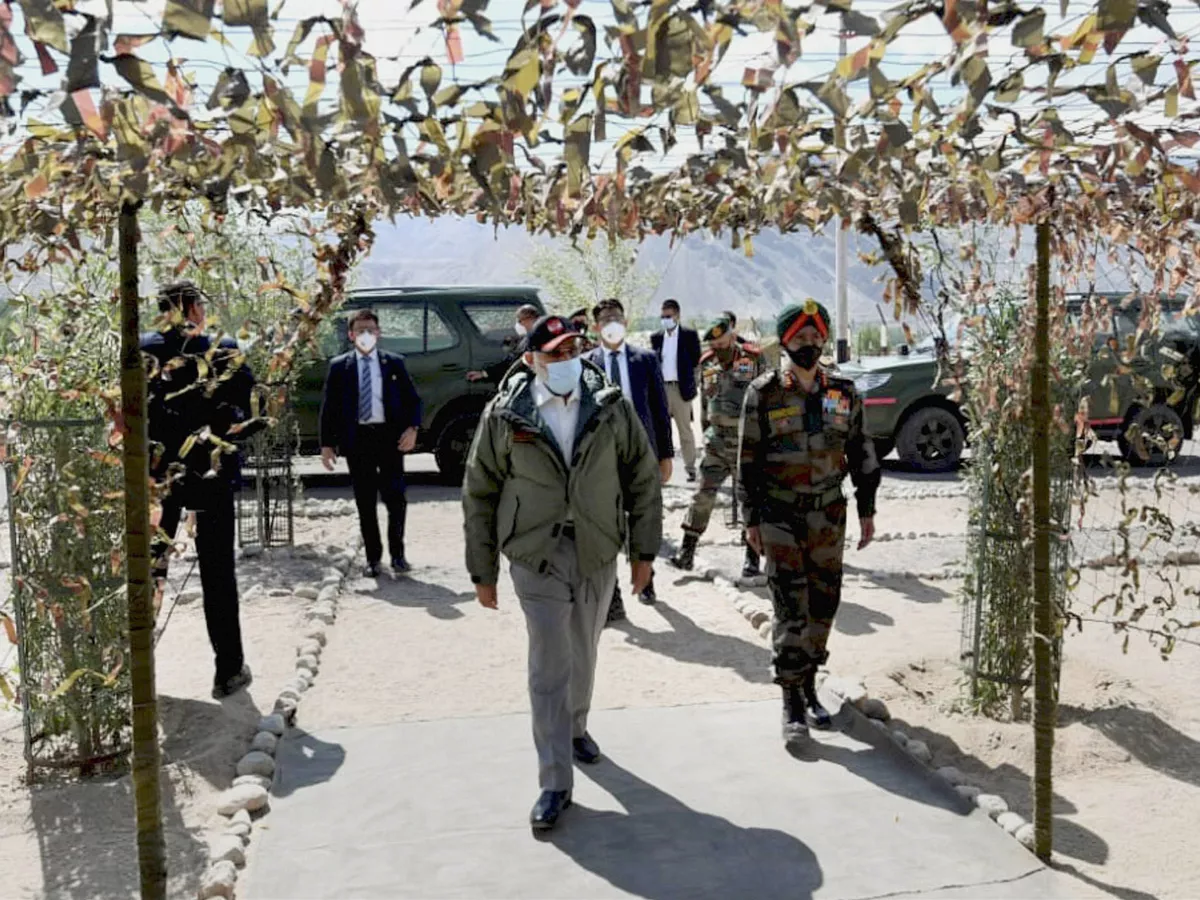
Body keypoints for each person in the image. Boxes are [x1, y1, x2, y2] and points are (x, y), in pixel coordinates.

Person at [462, 314, 662, 832]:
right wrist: (481, 570)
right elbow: (480, 490)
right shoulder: (507, 413)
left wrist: (643, 553)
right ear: (532, 360)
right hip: (536, 553)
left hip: (596, 547)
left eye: (574, 349)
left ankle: (575, 728)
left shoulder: (611, 405)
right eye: (555, 352)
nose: (567, 360)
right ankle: (555, 781)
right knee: (550, 659)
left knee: (584, 650)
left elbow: (641, 477)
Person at [738, 299, 879, 746]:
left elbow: (861, 452)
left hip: (828, 514)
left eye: (816, 337)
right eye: (801, 338)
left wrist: (868, 509)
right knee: (789, 605)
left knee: (824, 603)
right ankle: (791, 702)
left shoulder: (843, 391)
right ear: (785, 341)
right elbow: (748, 461)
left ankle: (811, 682)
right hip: (780, 513)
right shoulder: (763, 393)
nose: (810, 344)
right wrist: (751, 519)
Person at [143, 281, 258, 700]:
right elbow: (241, 416)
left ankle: (138, 666)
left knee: (149, 571)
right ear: (192, 308)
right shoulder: (224, 350)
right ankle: (227, 670)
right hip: (209, 476)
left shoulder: (142, 352)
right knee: (217, 575)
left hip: (157, 479)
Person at [586, 298, 674, 619]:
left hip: (642, 454)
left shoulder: (646, 360)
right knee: (607, 524)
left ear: (625, 322)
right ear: (596, 326)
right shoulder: (586, 364)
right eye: (606, 318)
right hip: (603, 460)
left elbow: (660, 411)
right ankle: (612, 596)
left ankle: (646, 578)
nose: (613, 323)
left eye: (618, 317)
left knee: (645, 519)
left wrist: (665, 454)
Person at [320, 309, 422, 577]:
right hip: (357, 441)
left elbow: (413, 400)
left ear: (378, 333)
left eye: (371, 330)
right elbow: (329, 408)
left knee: (395, 498)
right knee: (365, 501)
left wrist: (412, 429)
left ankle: (398, 556)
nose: (366, 335)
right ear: (351, 335)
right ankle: (373, 559)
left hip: (389, 439)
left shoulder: (394, 363)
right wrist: (326, 445)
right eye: (360, 330)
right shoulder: (340, 366)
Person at [669, 315, 763, 577]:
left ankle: (752, 559)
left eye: (723, 344)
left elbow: (766, 397)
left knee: (751, 500)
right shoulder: (707, 363)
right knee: (703, 494)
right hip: (717, 444)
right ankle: (687, 552)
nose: (719, 349)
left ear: (733, 337)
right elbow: (705, 406)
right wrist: (706, 433)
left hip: (747, 443)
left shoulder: (753, 359)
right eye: (715, 345)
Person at [651, 299, 702, 482]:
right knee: (661, 430)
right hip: (662, 389)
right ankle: (662, 470)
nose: (665, 320)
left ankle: (690, 468)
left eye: (669, 316)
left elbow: (696, 359)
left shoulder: (689, 335)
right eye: (663, 316)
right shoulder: (656, 337)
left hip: (681, 389)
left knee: (685, 431)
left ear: (678, 316)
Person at [466, 303, 540, 384]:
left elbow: (514, 362)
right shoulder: (527, 338)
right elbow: (510, 361)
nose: (518, 324)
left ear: (529, 319)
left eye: (519, 320)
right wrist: (483, 373)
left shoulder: (539, 338)